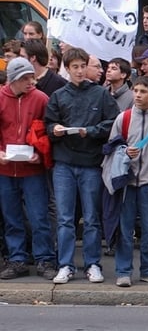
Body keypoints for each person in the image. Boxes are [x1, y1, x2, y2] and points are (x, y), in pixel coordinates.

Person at [45, 47, 120, 284]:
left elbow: (112, 123)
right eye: (74, 67)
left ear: (87, 66)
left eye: (82, 66)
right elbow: (48, 124)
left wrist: (92, 132)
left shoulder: (100, 94)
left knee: (91, 217)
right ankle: (65, 264)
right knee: (66, 218)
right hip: (64, 163)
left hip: (91, 163)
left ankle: (92, 263)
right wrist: (54, 130)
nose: (79, 71)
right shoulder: (59, 95)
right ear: (67, 69)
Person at [106, 76, 148, 288]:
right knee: (125, 228)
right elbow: (111, 148)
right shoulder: (122, 118)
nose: (138, 95)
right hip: (127, 181)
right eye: (136, 91)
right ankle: (124, 271)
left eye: (143, 92)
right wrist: (125, 151)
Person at [0, 58, 57, 280]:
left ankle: (45, 259)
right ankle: (17, 259)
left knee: (39, 216)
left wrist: (41, 155)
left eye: (31, 77)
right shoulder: (1, 98)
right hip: (5, 170)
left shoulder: (41, 99)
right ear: (13, 79)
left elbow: (49, 132)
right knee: (11, 217)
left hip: (33, 170)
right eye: (25, 78)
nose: (30, 82)